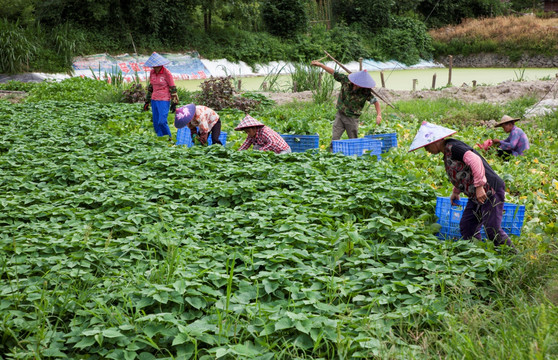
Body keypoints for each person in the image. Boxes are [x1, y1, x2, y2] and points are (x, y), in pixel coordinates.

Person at [409, 121, 516, 252]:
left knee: (492, 229)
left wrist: (479, 186)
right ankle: (477, 253)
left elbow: (475, 160)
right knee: (468, 226)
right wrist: (456, 191)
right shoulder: (447, 152)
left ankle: (511, 254)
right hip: (476, 193)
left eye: (426, 146)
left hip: (490, 189)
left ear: (435, 141)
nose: (426, 150)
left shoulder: (454, 147)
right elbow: (462, 171)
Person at [310, 61, 382, 150]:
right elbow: (333, 72)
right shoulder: (346, 80)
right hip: (340, 114)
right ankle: (331, 154)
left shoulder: (365, 91)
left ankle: (356, 156)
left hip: (352, 118)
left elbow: (375, 102)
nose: (357, 85)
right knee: (335, 138)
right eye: (356, 82)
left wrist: (379, 114)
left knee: (353, 140)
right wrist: (321, 65)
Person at [143, 52, 179, 142]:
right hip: (154, 99)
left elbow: (173, 88)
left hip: (164, 99)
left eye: (157, 66)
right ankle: (161, 140)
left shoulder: (167, 73)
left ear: (160, 65)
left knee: (162, 121)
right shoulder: (152, 72)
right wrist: (147, 102)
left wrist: (174, 103)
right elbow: (151, 87)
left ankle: (169, 138)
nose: (155, 68)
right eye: (153, 66)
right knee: (156, 123)